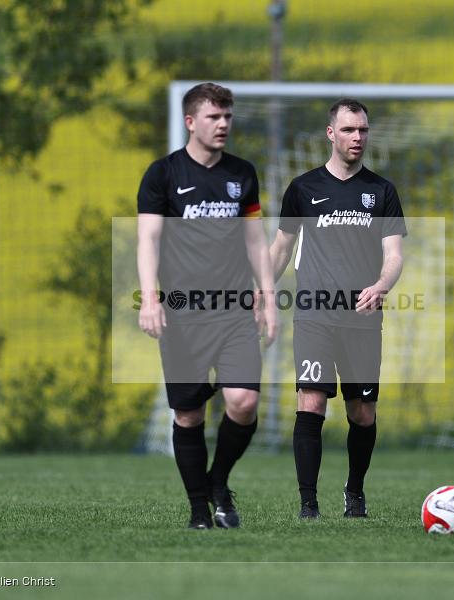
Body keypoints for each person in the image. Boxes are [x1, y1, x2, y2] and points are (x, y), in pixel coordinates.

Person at [137, 82, 277, 529]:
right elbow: (148, 240)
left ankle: (218, 481)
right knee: (189, 413)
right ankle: (200, 508)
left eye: (228, 117)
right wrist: (150, 298)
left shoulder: (242, 173)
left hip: (234, 310)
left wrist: (268, 297)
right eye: (214, 117)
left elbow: (255, 240)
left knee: (243, 402)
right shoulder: (162, 175)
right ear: (190, 121)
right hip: (181, 313)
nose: (223, 125)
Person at [269, 99, 405, 519]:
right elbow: (280, 248)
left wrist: (381, 285)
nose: (357, 138)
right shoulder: (303, 189)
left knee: (362, 412)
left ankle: (355, 491)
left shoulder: (381, 191)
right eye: (348, 130)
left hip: (362, 320)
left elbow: (395, 254)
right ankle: (308, 504)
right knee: (311, 402)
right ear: (331, 134)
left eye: (363, 130)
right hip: (313, 316)